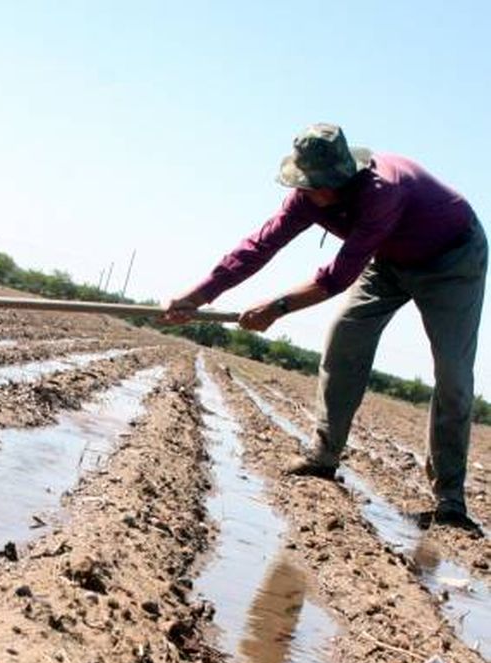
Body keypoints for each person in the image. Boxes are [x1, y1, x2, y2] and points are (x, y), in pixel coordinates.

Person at [165, 123, 486, 532]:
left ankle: (450, 501)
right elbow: (259, 246)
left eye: (322, 185)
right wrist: (198, 296)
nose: (314, 193)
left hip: (452, 260)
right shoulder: (304, 199)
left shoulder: (383, 191)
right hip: (388, 261)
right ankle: (323, 456)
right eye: (308, 184)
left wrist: (278, 307)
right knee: (345, 336)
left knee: (453, 373)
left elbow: (336, 277)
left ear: (345, 174)